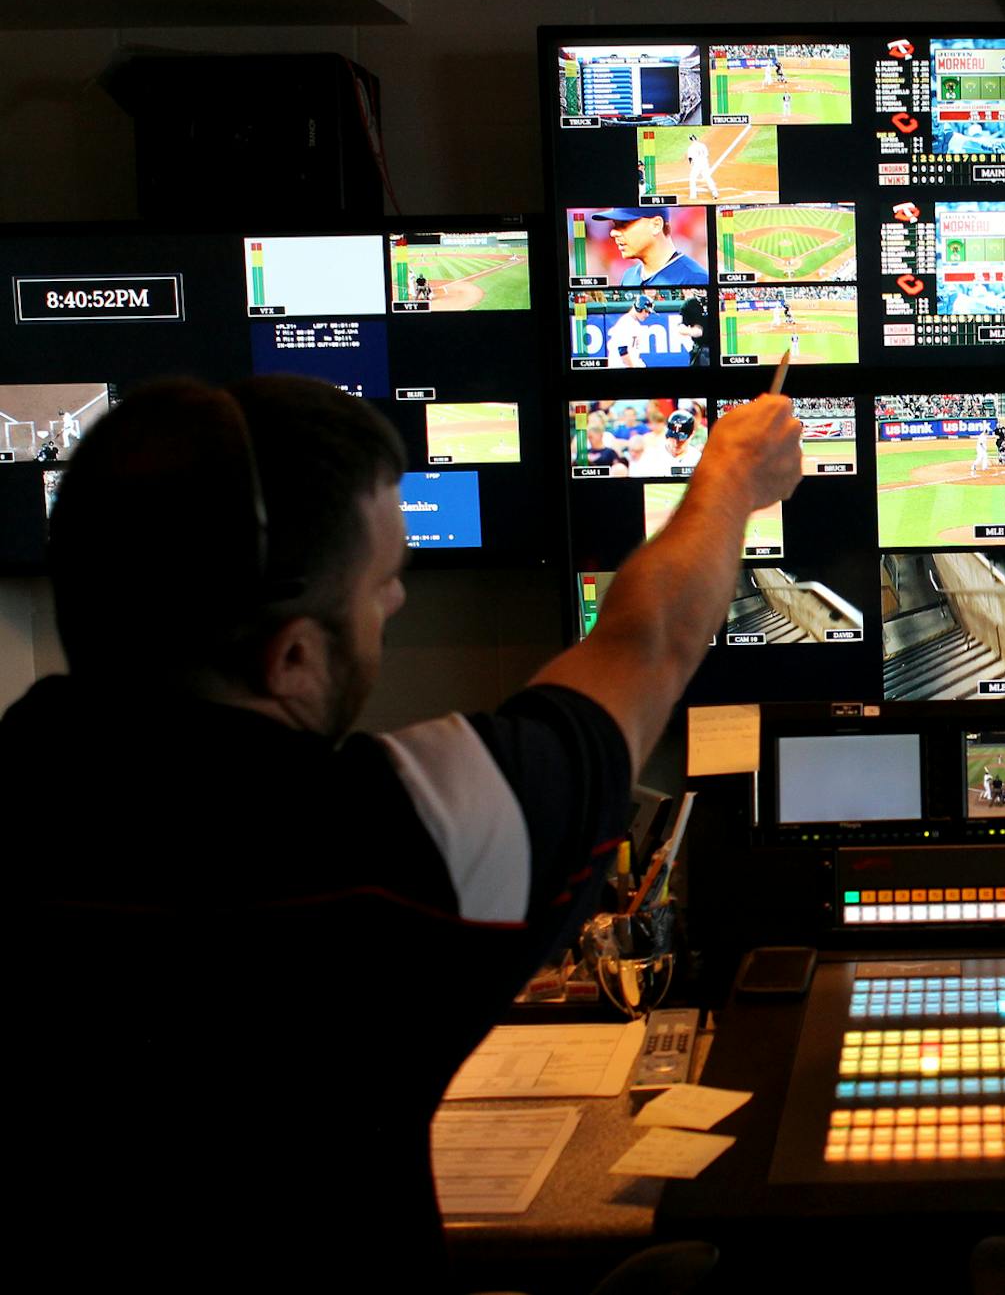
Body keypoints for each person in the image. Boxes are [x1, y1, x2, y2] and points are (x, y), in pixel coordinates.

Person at [9, 375, 801, 1290]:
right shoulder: (401, 838)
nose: (393, 607)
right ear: (293, 657)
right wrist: (733, 476)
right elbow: (649, 640)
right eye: (382, 585)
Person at [595, 205, 709, 287]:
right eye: (615, 225)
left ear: (656, 225)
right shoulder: (629, 276)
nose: (613, 233)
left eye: (624, 224)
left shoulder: (696, 278)